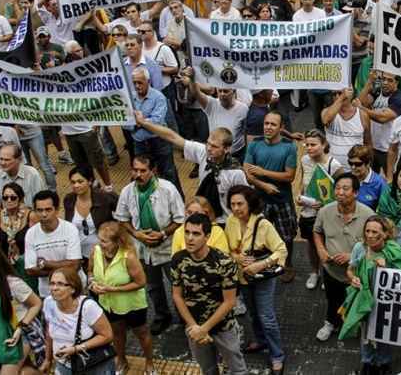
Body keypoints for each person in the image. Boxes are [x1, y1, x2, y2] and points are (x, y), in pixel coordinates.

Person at [115, 155, 185, 336]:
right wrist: (136, 234)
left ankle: (185, 317)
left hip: (169, 248)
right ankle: (162, 316)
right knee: (153, 286)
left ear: (153, 171)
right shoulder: (127, 192)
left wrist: (162, 233)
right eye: (135, 170)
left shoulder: (168, 190)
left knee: (177, 284)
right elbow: (122, 219)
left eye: (143, 171)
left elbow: (180, 219)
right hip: (143, 250)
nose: (138, 174)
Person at [135, 114, 248, 225]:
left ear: (227, 149)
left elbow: (244, 201)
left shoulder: (236, 173)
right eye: (208, 143)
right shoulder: (203, 152)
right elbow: (172, 137)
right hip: (201, 214)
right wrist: (144, 123)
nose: (209, 149)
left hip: (225, 221)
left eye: (214, 146)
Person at [171, 213, 248, 375]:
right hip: (195, 326)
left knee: (238, 370)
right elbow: (177, 295)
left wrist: (204, 329)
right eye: (187, 232)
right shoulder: (178, 259)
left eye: (196, 233)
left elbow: (229, 302)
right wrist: (193, 326)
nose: (189, 238)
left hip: (223, 327)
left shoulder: (224, 262)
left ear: (207, 236)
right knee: (208, 370)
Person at [224, 185, 287, 374]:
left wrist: (260, 264)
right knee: (253, 313)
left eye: (240, 204)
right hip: (243, 277)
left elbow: (281, 250)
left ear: (250, 204)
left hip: (263, 278)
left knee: (266, 317)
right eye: (232, 204)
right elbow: (227, 248)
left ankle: (277, 355)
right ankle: (261, 341)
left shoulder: (263, 225)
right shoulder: (231, 221)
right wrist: (236, 258)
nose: (236, 208)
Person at [340, 215, 401, 374]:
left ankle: (384, 362)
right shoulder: (360, 248)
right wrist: (354, 278)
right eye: (367, 231)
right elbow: (350, 269)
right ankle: (368, 362)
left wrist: (387, 269)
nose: (370, 235)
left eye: (374, 232)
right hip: (365, 299)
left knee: (384, 331)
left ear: (385, 234)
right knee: (365, 332)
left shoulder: (393, 251)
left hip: (386, 303)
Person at [313, 172, 375, 342]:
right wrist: (320, 250)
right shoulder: (325, 211)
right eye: (337, 188)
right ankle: (330, 322)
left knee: (358, 301)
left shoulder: (368, 215)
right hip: (331, 270)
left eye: (345, 189)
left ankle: (359, 326)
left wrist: (352, 256)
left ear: (355, 193)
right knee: (333, 298)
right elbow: (317, 231)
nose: (340, 192)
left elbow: (375, 242)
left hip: (356, 272)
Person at [88, 221, 153, 375]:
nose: (100, 244)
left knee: (142, 333)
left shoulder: (128, 256)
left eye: (104, 241)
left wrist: (113, 289)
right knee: (117, 333)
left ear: (117, 241)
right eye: (100, 240)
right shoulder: (95, 251)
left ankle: (150, 362)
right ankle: (122, 360)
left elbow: (141, 282)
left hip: (132, 305)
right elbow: (90, 270)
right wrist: (92, 283)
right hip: (109, 304)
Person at [244, 111, 298, 283]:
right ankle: (264, 263)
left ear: (281, 128)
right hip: (259, 200)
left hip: (283, 200)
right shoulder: (254, 144)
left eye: (273, 124)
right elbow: (247, 173)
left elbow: (289, 176)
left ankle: (287, 264)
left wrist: (262, 172)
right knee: (260, 235)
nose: (268, 127)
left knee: (287, 236)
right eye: (266, 123)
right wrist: (264, 185)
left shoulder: (289, 147)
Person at [0, 243, 42, 375]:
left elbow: (37, 304)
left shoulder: (13, 284)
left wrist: (21, 327)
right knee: (24, 371)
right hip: (2, 334)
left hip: (21, 333)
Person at [41, 267, 115, 375]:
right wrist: (48, 359)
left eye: (60, 284)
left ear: (73, 289)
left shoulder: (88, 307)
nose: (54, 288)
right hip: (63, 364)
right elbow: (49, 332)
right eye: (52, 283)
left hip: (92, 364)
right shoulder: (48, 302)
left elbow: (107, 336)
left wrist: (76, 349)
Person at [297, 130, 343, 290]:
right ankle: (314, 272)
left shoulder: (334, 165)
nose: (309, 148)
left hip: (328, 214)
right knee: (311, 243)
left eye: (313, 144)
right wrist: (301, 197)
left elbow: (341, 192)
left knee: (328, 244)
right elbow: (305, 183)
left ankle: (328, 274)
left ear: (324, 145)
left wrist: (325, 204)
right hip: (308, 212)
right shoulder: (304, 160)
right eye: (307, 144)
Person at [127, 67, 184, 197]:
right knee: (140, 174)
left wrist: (139, 121)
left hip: (159, 141)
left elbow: (157, 121)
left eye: (140, 82)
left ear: (148, 81)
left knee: (169, 173)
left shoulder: (159, 97)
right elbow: (125, 123)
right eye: (134, 82)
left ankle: (179, 200)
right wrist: (141, 122)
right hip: (139, 142)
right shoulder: (129, 98)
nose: (137, 86)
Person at [24, 190, 83, 298]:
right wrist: (64, 266)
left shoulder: (70, 229)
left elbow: (75, 265)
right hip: (47, 293)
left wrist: (46, 264)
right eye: (40, 210)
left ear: (57, 210)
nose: (44, 214)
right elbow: (30, 270)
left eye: (48, 209)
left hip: (73, 290)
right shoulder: (31, 234)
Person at [63, 166, 118, 267]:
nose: (76, 185)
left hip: (105, 253)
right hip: (80, 255)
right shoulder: (69, 200)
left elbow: (123, 215)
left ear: (90, 181)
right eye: (73, 182)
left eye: (80, 181)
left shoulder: (105, 197)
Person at [357, 70, 401, 176]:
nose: (385, 83)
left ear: (396, 83)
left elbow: (382, 118)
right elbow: (361, 101)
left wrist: (361, 108)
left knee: (389, 179)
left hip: (388, 149)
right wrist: (369, 82)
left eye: (390, 80)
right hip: (373, 146)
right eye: (383, 79)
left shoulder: (399, 98)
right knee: (370, 177)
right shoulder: (378, 92)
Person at [0, 183, 39, 289]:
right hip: (6, 266)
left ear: (20, 199)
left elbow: (38, 242)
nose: (9, 200)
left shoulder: (31, 216)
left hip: (26, 266)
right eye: (5, 197)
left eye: (13, 197)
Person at [322, 88, 371, 168]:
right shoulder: (326, 112)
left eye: (340, 93)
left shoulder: (362, 115)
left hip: (355, 169)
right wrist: (342, 97)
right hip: (331, 168)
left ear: (350, 93)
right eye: (334, 94)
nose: (337, 96)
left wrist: (368, 165)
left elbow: (368, 142)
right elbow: (325, 120)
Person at [0, 143, 44, 211]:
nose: (3, 163)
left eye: (7, 160)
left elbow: (41, 201)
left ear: (19, 159)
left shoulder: (32, 174)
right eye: (1, 159)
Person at [347, 145, 389, 210]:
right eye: (350, 163)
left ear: (368, 163)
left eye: (358, 164)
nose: (353, 167)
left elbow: (384, 210)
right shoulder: (346, 178)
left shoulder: (380, 184)